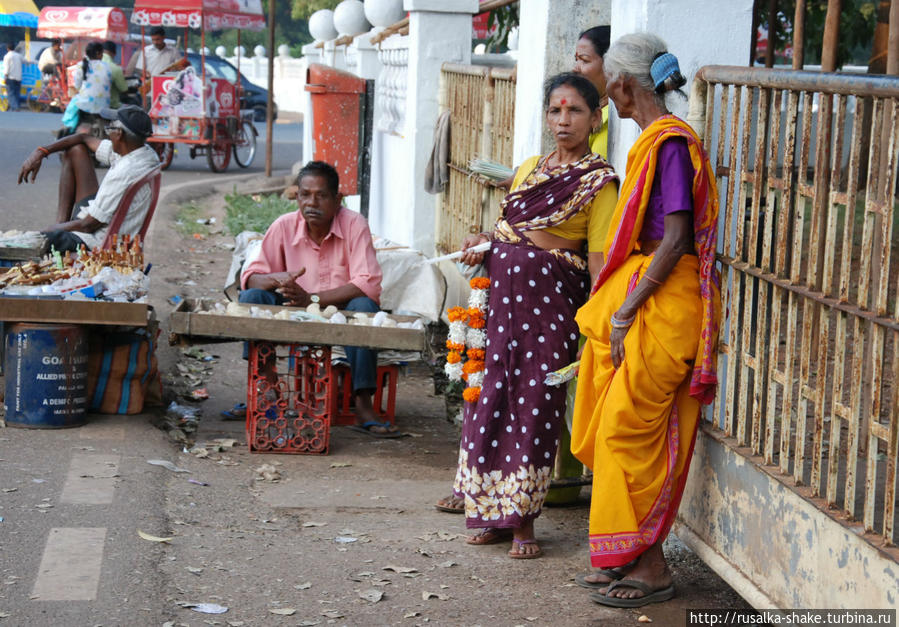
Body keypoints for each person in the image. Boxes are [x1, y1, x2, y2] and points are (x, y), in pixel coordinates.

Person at [569, 33, 721, 607]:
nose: (604, 91)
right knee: (611, 425)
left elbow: (677, 235)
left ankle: (652, 568)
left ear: (626, 84)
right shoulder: (651, 143)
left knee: (627, 432)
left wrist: (627, 311)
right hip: (647, 299)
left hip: (664, 306)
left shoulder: (671, 145)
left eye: (607, 80)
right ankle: (628, 556)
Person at [440, 73, 618, 558]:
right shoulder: (527, 171)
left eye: (575, 111)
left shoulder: (600, 184)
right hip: (500, 308)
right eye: (556, 111)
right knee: (489, 396)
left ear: (595, 118)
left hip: (551, 313)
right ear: (546, 117)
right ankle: (486, 513)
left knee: (535, 406)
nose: (564, 121)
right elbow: (505, 231)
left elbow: (601, 260)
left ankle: (522, 522)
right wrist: (481, 243)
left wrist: (597, 325)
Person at [238, 161, 398, 437]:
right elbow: (252, 276)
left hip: (340, 308)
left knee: (364, 308)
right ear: (297, 196)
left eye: (321, 195)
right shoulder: (283, 226)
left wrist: (312, 298)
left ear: (337, 199)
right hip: (292, 308)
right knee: (253, 297)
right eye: (305, 194)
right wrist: (280, 278)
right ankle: (266, 386)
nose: (312, 203)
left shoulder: (354, 224)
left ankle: (362, 403)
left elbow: (367, 282)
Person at [17, 105, 160, 252]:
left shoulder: (125, 172)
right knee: (75, 150)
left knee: (38, 240)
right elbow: (83, 138)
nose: (107, 133)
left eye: (109, 128)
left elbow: (88, 225)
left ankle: (59, 229)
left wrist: (48, 231)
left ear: (119, 134)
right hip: (103, 221)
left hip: (99, 240)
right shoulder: (141, 151)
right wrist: (42, 151)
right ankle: (61, 224)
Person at [573, 25, 611, 157]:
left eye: (584, 60)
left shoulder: (610, 119)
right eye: (576, 60)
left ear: (609, 65)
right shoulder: (590, 110)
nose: (575, 69)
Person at [64, 42, 113, 132]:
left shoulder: (80, 65)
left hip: (85, 104)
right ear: (98, 54)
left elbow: (77, 86)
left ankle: (68, 128)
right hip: (104, 105)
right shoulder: (107, 66)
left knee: (72, 105)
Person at [102, 42, 129, 109]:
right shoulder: (115, 68)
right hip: (111, 106)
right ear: (114, 53)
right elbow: (124, 90)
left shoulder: (89, 65)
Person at [4, 42, 23, 111]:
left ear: (7, 48)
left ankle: (15, 107)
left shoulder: (7, 56)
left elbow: (6, 68)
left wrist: (5, 77)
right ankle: (16, 106)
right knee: (17, 93)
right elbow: (26, 62)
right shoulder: (19, 56)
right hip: (18, 77)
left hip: (10, 77)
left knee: (11, 93)